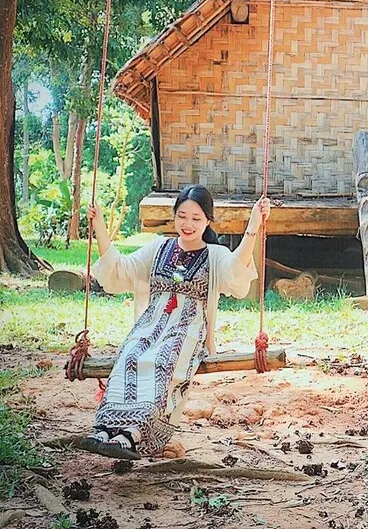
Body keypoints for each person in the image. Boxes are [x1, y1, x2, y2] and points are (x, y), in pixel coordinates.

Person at [77, 184, 271, 460]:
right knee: (129, 356)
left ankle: (132, 434)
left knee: (162, 362)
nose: (188, 224)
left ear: (207, 221)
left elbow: (236, 272)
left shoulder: (214, 254)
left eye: (196, 218)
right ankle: (105, 429)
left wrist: (254, 225)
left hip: (187, 330)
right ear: (174, 216)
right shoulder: (157, 248)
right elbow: (120, 270)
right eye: (182, 216)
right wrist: (98, 226)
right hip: (150, 326)